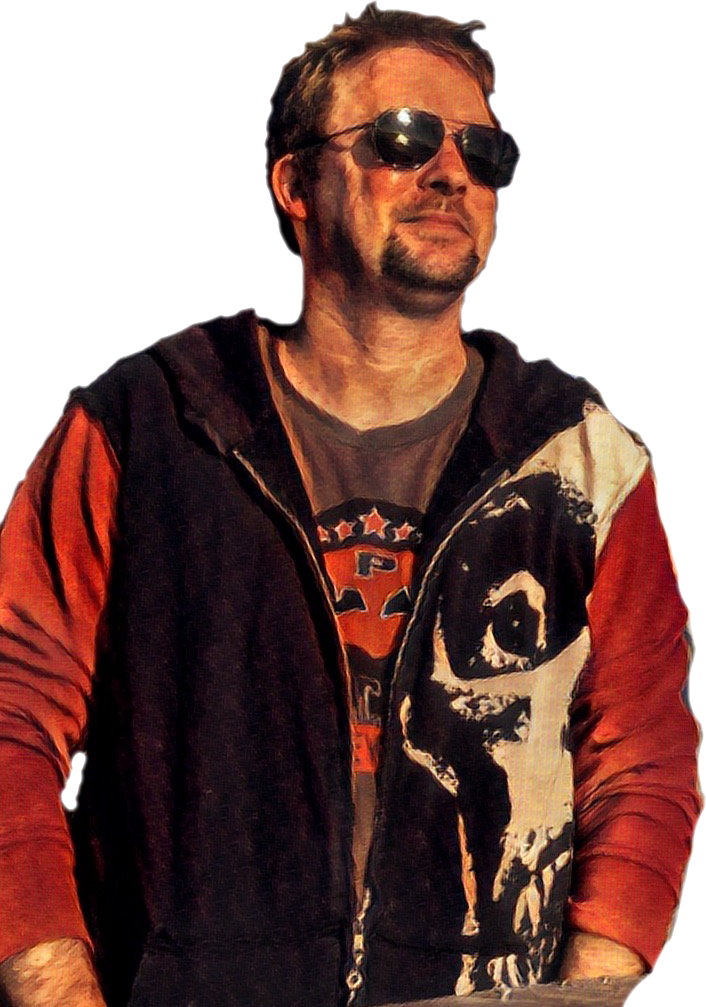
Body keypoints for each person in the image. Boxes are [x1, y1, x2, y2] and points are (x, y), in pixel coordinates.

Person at [0, 5, 701, 1006]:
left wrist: (585, 991)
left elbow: (644, 759)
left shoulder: (580, 455)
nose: (450, 173)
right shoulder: (143, 425)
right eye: (403, 138)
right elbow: (11, 710)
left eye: (482, 151)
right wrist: (50, 974)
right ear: (295, 183)